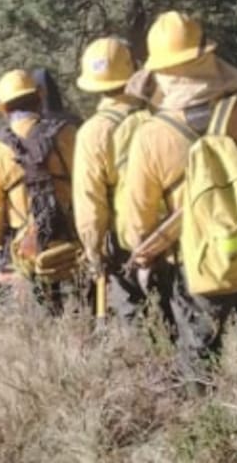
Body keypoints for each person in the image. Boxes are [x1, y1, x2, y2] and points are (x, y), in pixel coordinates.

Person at [121, 11, 237, 390]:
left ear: (161, 70)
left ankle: (208, 420)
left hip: (196, 265)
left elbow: (137, 219)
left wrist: (145, 254)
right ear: (206, 55)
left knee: (199, 360)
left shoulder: (151, 136)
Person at [71, 37, 163, 324]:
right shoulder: (158, 116)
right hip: (169, 230)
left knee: (133, 320)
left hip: (124, 242)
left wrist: (94, 251)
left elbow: (90, 202)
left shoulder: (93, 132)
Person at [0, 69, 81, 311]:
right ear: (39, 97)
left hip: (25, 245)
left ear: (4, 109)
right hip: (70, 236)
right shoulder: (66, 134)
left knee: (40, 307)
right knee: (82, 298)